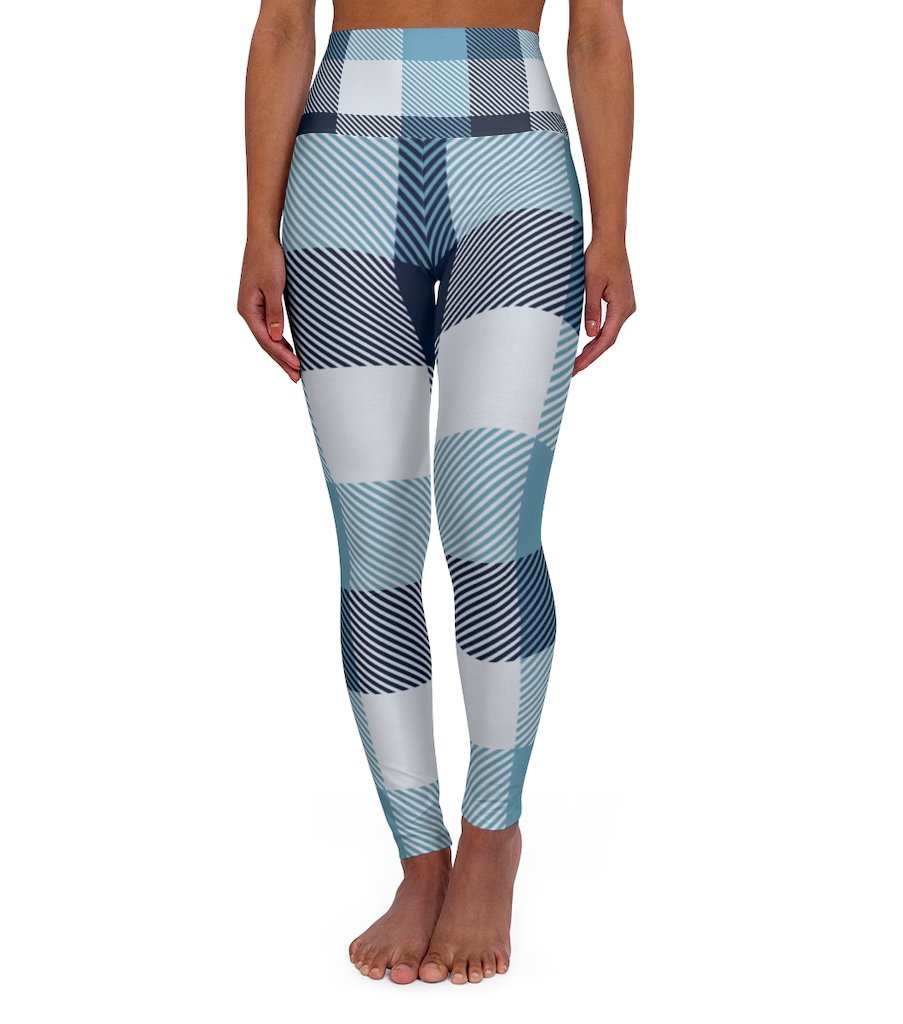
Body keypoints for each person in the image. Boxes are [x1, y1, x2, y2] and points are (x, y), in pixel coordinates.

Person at [237, 0, 635, 986]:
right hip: (341, 171)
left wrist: (615, 231)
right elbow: (283, 25)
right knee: (375, 546)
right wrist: (255, 227)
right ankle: (421, 857)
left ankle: (490, 837)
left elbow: (595, 31)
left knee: (490, 527)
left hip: (517, 171)